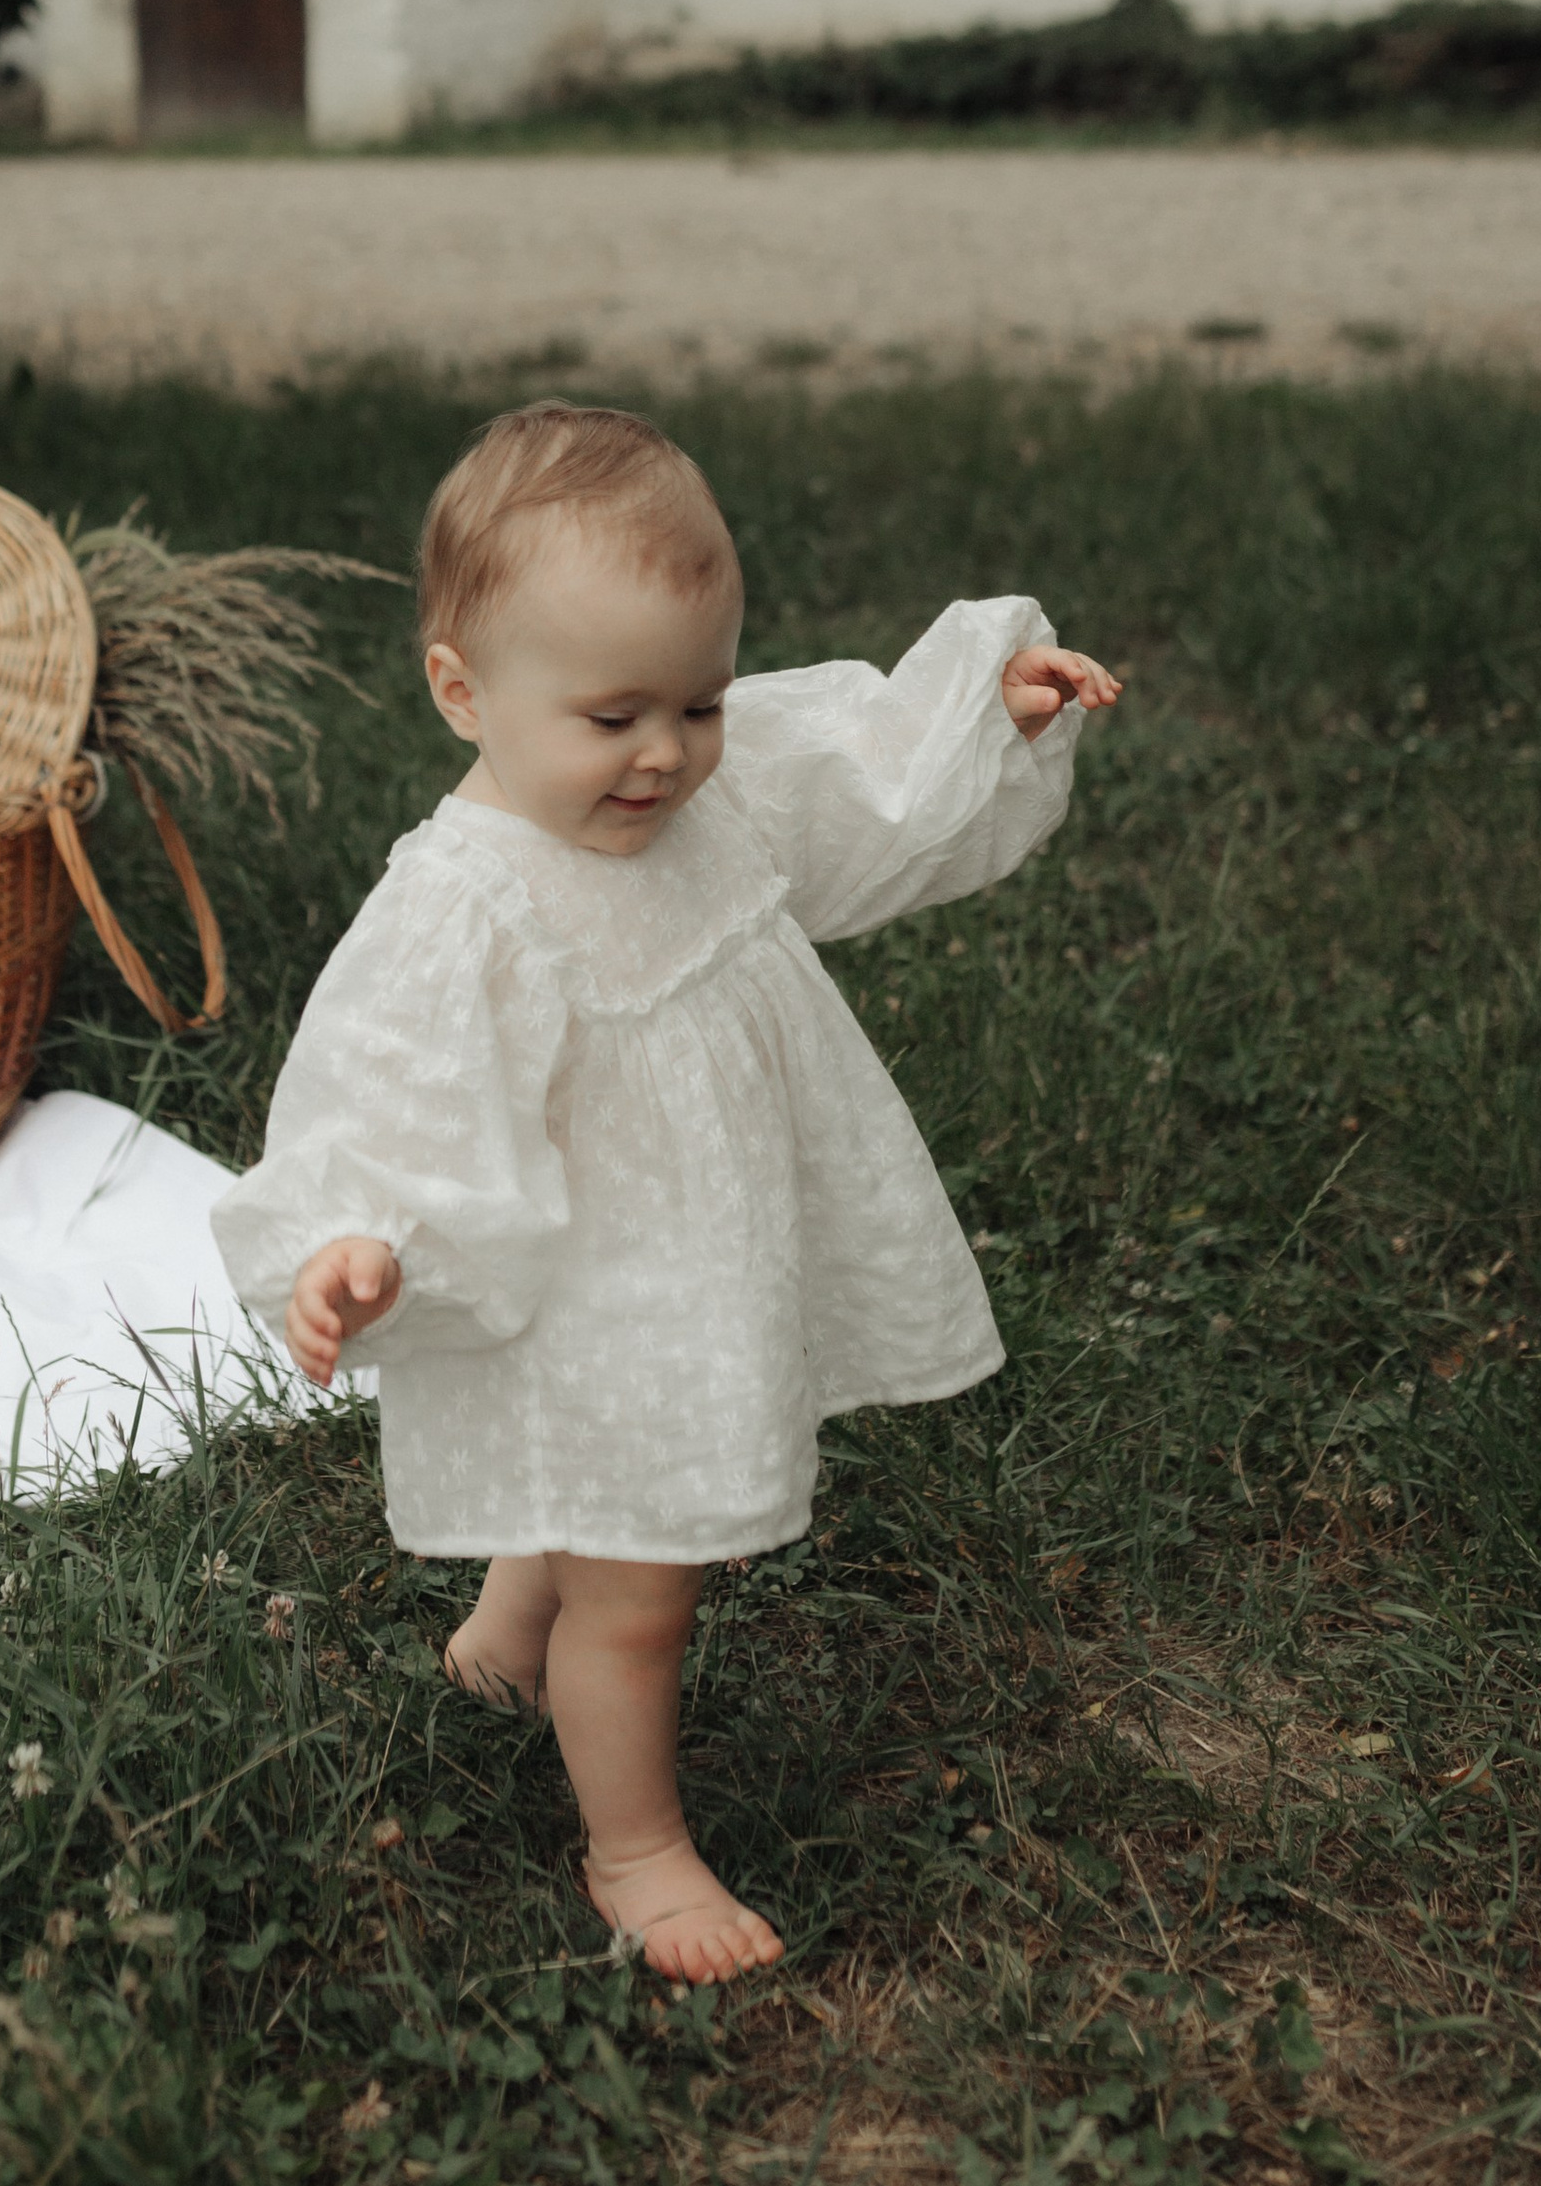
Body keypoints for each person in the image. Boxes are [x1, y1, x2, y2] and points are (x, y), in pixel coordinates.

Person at [210, 402, 1119, 1984]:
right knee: (643, 1589)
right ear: (459, 691)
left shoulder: (706, 786)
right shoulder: (465, 900)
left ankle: (501, 1638)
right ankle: (635, 1849)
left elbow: (848, 784)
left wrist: (992, 719)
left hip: (692, 1252)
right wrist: (356, 1241)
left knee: (604, 1472)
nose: (669, 755)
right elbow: (383, 1084)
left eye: (697, 702)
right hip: (587, 1273)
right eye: (617, 716)